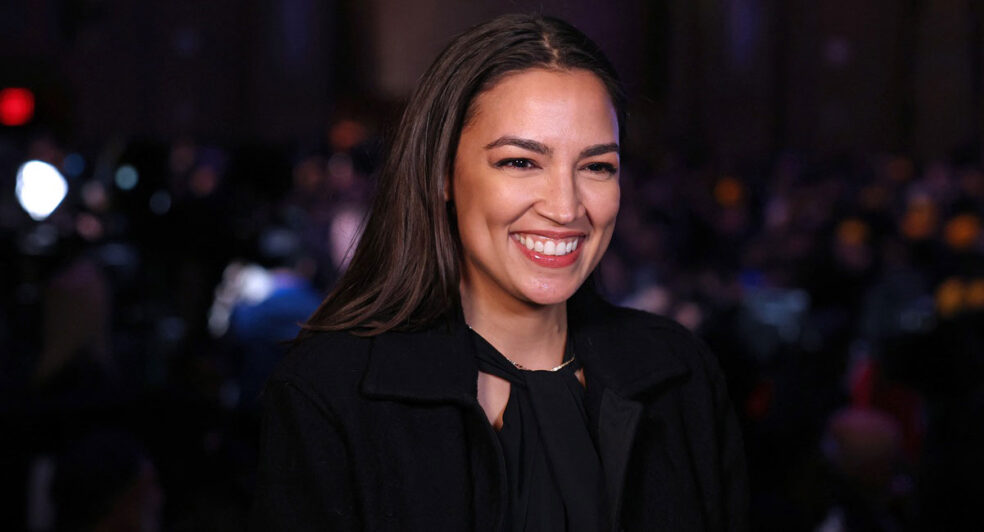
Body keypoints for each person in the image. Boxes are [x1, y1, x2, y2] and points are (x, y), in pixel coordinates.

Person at [251, 13, 747, 531]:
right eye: (519, 162)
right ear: (442, 174)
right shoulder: (331, 391)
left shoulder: (680, 373)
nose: (565, 207)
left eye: (596, 166)